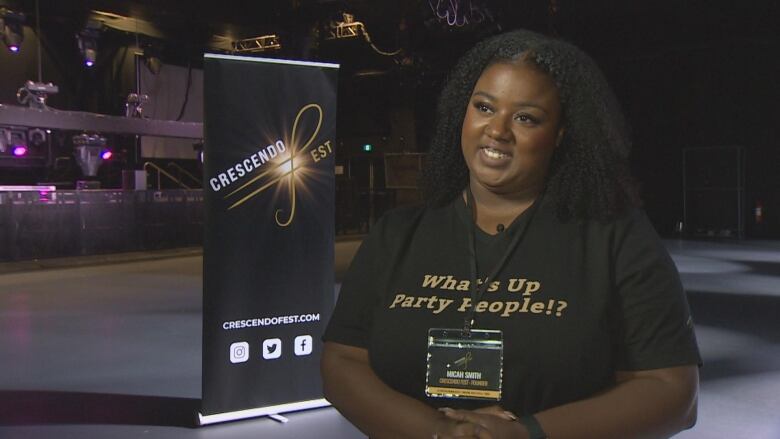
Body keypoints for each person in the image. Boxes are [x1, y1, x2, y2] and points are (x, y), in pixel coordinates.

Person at [321, 29, 701, 439]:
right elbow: (342, 362)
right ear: (461, 114)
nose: (497, 130)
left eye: (525, 117)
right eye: (484, 107)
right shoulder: (396, 234)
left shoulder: (615, 238)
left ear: (559, 135)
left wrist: (527, 434)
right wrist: (434, 432)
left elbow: (673, 393)